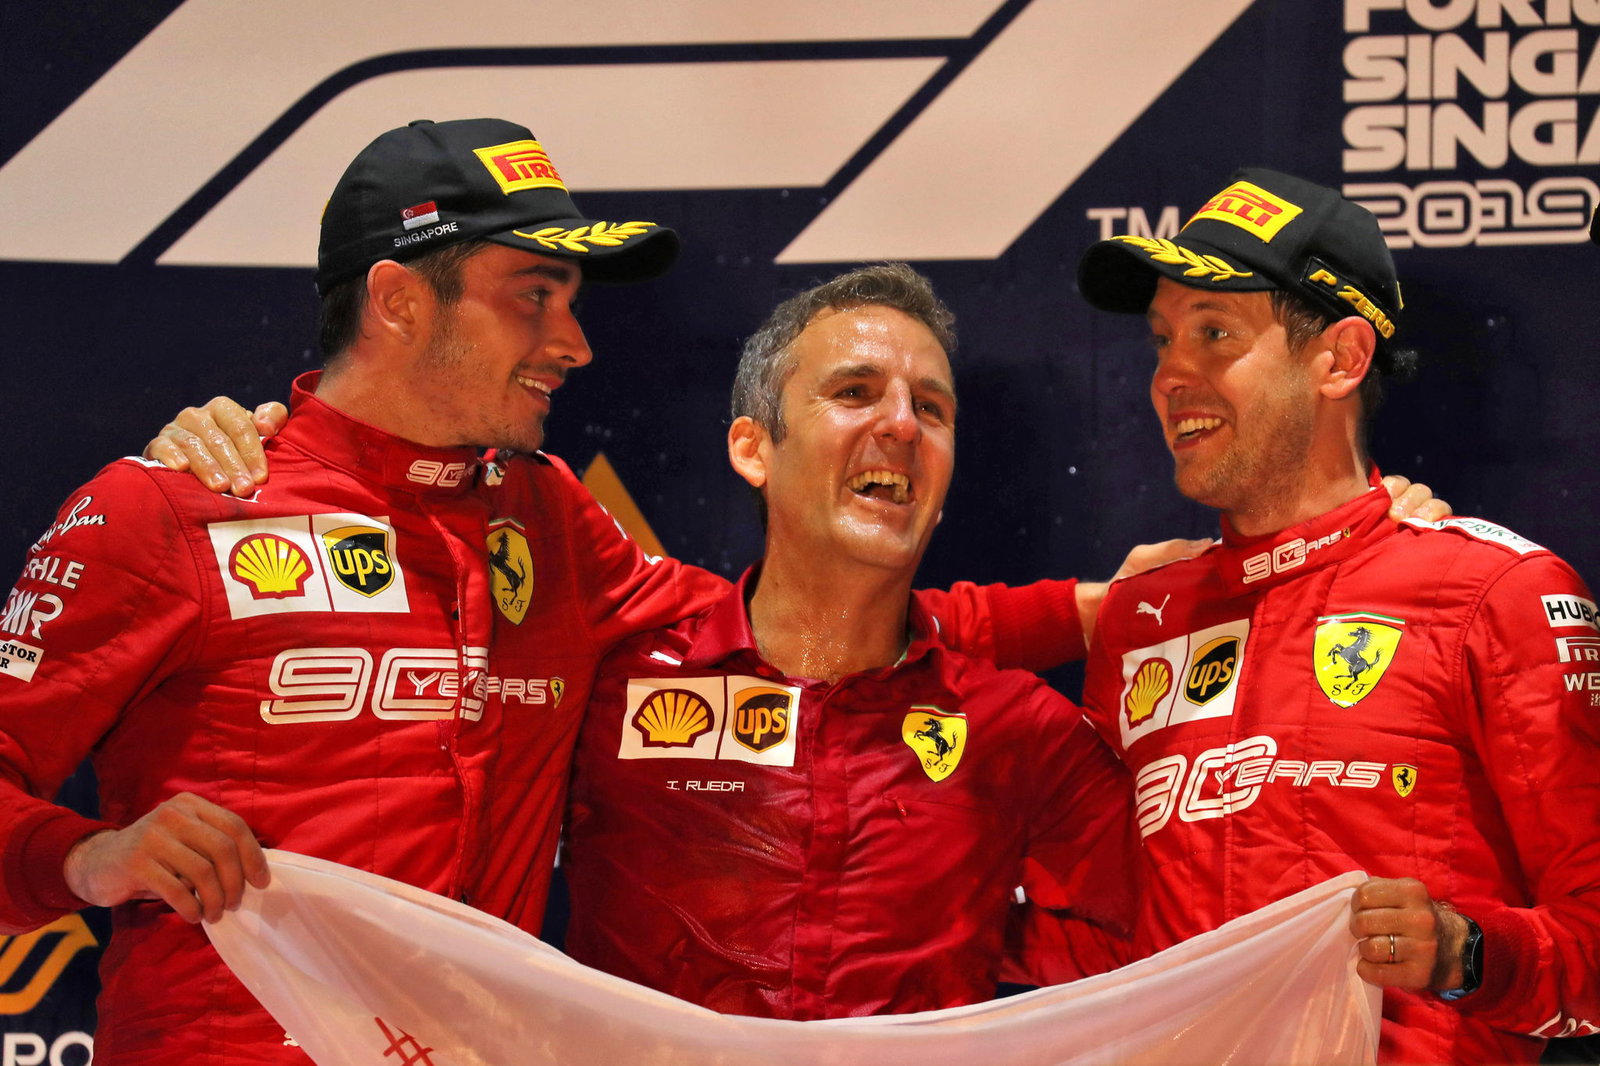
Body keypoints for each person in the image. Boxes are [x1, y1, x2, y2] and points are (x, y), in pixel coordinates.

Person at [0, 116, 730, 1065]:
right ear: (397, 302)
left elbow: (781, 644)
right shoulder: (175, 506)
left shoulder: (550, 521)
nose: (576, 344)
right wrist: (87, 858)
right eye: (536, 297)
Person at [1073, 167, 1600, 1063]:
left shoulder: (1494, 594)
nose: (1170, 376)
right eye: (1162, 340)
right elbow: (1103, 941)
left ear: (1341, 359)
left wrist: (1467, 955)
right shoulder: (1145, 618)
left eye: (1215, 333)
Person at [560, 264, 1136, 1017]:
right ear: (752, 448)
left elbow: (1168, 933)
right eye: (855, 392)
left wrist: (972, 936)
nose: (901, 424)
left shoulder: (1017, 729)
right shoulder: (613, 683)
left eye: (930, 408)